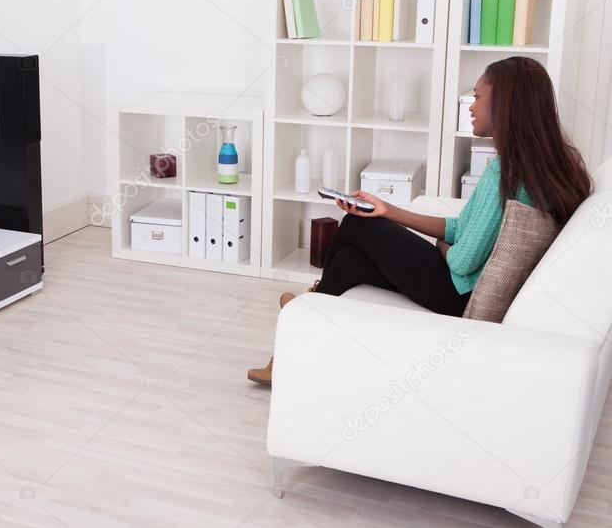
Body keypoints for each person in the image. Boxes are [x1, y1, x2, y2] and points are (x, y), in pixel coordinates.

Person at [247, 56, 592, 387]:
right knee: (351, 260)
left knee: (356, 225)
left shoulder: (504, 173)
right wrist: (388, 210)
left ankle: (307, 309)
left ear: (504, 104)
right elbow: (458, 230)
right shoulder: (548, 167)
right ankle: (305, 325)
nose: (470, 106)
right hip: (459, 287)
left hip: (455, 294)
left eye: (477, 96)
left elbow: (461, 258)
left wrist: (442, 247)